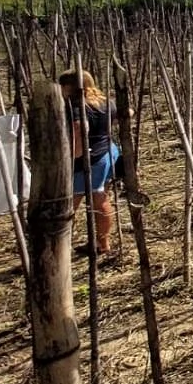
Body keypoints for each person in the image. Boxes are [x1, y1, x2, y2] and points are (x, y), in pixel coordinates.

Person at [58, 69, 118, 255]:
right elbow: (127, 112)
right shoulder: (105, 101)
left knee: (69, 206)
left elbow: (79, 128)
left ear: (70, 87)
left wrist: (74, 156)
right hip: (109, 152)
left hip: (91, 161)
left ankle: (57, 249)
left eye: (62, 86)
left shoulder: (77, 105)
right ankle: (102, 243)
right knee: (100, 198)